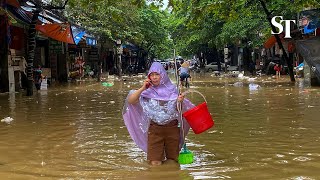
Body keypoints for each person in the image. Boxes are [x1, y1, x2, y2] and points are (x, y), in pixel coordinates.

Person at [123, 62, 194, 166]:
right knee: (155, 162)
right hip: (155, 129)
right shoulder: (147, 92)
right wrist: (143, 88)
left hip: (172, 128)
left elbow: (179, 110)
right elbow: (131, 101)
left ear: (163, 75)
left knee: (172, 160)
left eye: (157, 74)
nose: (154, 77)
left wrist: (179, 101)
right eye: (152, 75)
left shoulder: (173, 90)